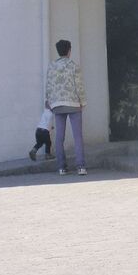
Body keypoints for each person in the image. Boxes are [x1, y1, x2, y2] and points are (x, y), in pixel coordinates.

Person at [45, 39, 88, 176]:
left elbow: (49, 86)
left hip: (57, 104)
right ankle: (81, 167)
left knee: (59, 137)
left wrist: (48, 101)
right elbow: (79, 86)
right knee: (77, 136)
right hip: (74, 103)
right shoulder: (74, 66)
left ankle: (61, 167)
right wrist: (83, 101)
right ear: (69, 51)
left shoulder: (52, 67)